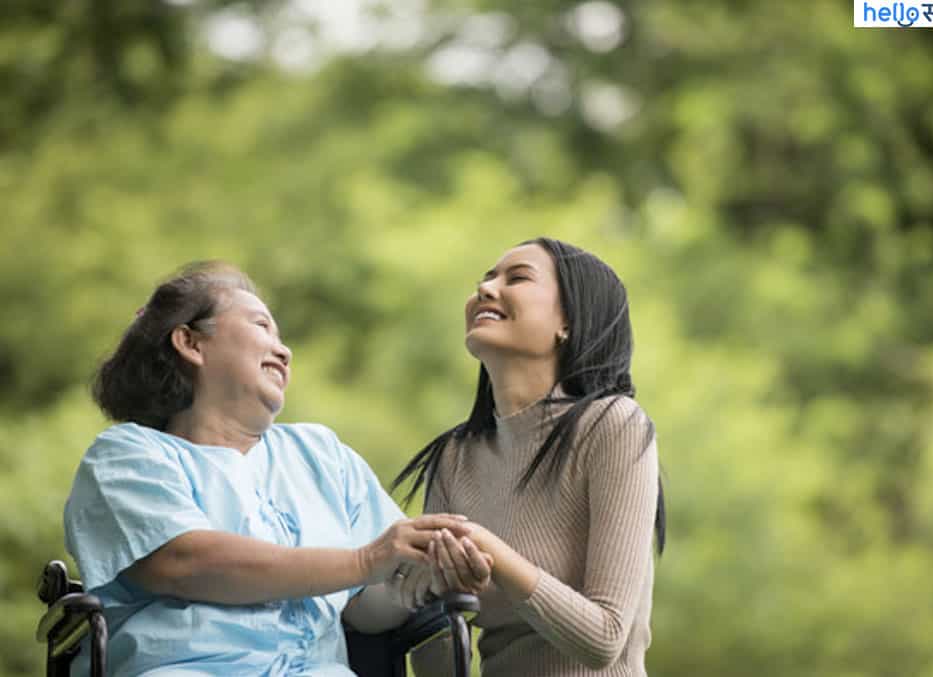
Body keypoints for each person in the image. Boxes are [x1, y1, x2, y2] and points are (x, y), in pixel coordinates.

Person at [63, 261, 471, 676]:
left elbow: (365, 611)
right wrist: (367, 559)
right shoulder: (129, 455)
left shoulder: (322, 455)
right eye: (261, 326)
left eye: (281, 337)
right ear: (190, 342)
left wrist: (419, 578)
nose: (284, 350)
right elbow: (185, 563)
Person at [393, 237, 666, 676]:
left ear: (570, 323)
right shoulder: (455, 457)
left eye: (517, 278)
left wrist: (492, 554)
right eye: (484, 279)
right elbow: (433, 630)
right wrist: (430, 586)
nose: (485, 290)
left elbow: (604, 639)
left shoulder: (613, 426)